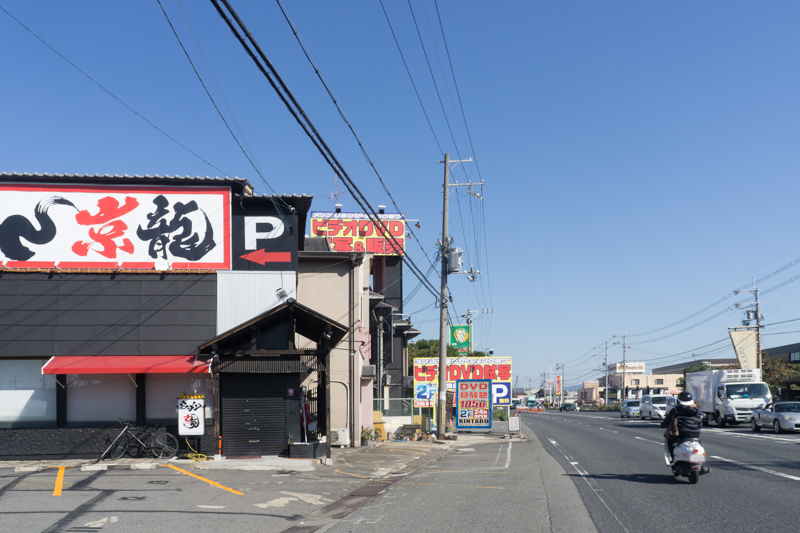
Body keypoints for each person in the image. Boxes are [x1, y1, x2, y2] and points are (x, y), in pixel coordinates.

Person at [660, 391, 703, 459]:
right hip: (695, 434)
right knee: (698, 443)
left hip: (681, 435)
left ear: (678, 401)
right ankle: (697, 457)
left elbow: (667, 421)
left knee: (670, 440)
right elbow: (700, 424)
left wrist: (663, 425)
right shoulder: (697, 411)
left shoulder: (676, 410)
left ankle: (673, 458)